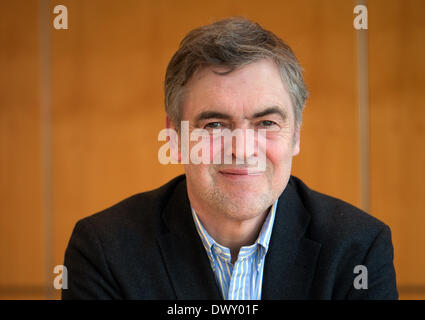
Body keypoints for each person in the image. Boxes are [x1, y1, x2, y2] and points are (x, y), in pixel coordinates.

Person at [62, 17, 398, 300]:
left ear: (295, 134)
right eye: (215, 124)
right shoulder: (105, 250)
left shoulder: (358, 249)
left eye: (266, 123)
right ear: (175, 137)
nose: (241, 148)